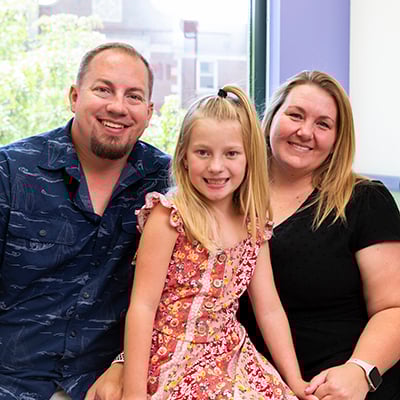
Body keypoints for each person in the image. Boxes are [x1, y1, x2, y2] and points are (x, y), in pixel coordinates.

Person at [111, 85, 320, 400]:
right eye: (203, 152)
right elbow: (142, 306)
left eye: (231, 154)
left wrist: (296, 381)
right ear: (183, 156)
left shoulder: (253, 224)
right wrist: (134, 394)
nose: (216, 167)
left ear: (250, 158)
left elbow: (269, 310)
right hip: (172, 358)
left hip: (231, 356)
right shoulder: (169, 218)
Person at [0, 42, 170, 399]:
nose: (117, 107)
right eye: (103, 89)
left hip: (104, 383)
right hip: (12, 377)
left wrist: (125, 362)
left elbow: (182, 296)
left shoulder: (168, 184)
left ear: (149, 112)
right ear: (74, 96)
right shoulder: (12, 171)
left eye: (133, 96)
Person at [239, 70, 400, 400]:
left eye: (323, 124)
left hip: (343, 385)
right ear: (271, 118)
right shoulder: (230, 196)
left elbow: (394, 308)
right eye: (295, 115)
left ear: (338, 138)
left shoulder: (363, 200)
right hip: (250, 384)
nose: (304, 131)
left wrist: (359, 371)